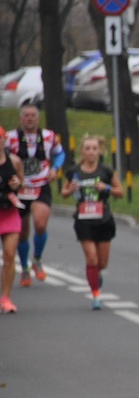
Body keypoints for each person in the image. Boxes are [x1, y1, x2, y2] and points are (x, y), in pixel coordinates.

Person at [4, 102, 65, 287]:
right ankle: (24, 267)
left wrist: (55, 169)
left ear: (38, 119)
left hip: (40, 185)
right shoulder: (11, 138)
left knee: (40, 224)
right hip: (20, 188)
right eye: (26, 115)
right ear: (20, 119)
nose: (30, 119)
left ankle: (37, 259)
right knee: (22, 231)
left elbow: (60, 154)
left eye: (33, 115)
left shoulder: (48, 136)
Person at [60, 135, 123, 310]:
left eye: (94, 149)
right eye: (87, 149)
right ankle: (96, 295)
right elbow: (64, 192)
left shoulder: (106, 170)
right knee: (92, 259)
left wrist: (106, 188)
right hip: (84, 220)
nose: (91, 152)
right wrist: (70, 190)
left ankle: (96, 276)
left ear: (99, 151)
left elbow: (120, 191)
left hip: (104, 219)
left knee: (102, 263)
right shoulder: (74, 172)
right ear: (82, 151)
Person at [0, 128, 24, 313]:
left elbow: (22, 184)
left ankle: (6, 298)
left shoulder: (14, 161)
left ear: (4, 139)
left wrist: (17, 184)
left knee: (9, 256)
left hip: (9, 213)